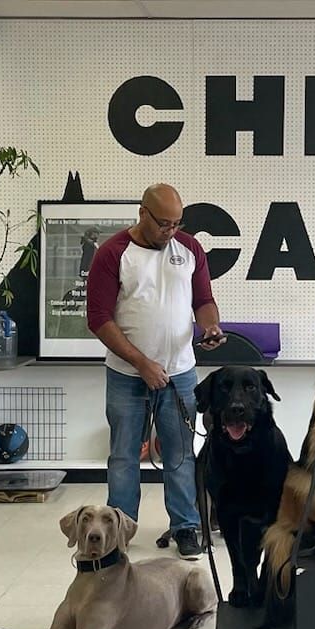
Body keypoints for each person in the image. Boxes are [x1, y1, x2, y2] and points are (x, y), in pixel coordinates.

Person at [86, 183, 225, 560]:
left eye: (178, 223)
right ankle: (119, 530)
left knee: (180, 454)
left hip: (180, 373)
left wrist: (209, 326)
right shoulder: (113, 254)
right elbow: (98, 320)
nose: (171, 231)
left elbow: (204, 300)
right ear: (142, 213)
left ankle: (186, 526)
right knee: (123, 456)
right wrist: (142, 363)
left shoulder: (190, 248)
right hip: (127, 375)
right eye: (164, 223)